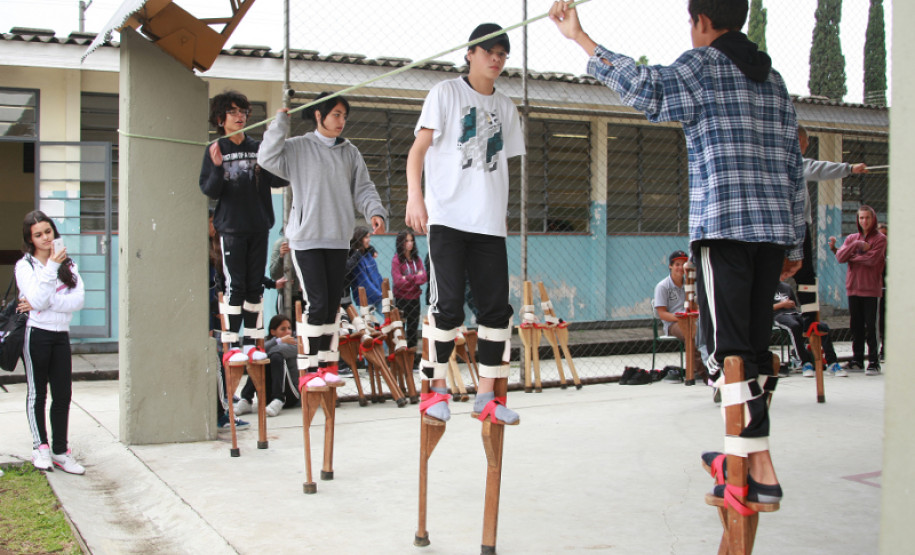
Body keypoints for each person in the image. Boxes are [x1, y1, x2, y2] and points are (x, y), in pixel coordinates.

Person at [550, 0, 805, 503]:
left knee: (723, 353)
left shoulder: (704, 65)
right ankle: (742, 459)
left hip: (725, 229)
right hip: (771, 236)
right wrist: (794, 241)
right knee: (750, 351)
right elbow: (794, 164)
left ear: (702, 21)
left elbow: (648, 89)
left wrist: (581, 39)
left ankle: (761, 470)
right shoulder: (773, 82)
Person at [405, 22, 525, 425]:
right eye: (489, 51)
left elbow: (495, 166)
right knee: (447, 306)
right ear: (470, 53)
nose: (496, 59)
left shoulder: (507, 108)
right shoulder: (445, 93)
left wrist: (497, 211)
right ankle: (435, 389)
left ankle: (487, 396)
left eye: (503, 53)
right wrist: (415, 197)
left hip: (489, 224)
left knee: (496, 310)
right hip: (448, 220)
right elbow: (417, 150)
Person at [258, 92, 386, 389]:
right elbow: (266, 159)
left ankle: (328, 367)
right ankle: (310, 371)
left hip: (338, 238)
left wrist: (374, 212)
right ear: (319, 115)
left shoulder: (350, 151)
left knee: (331, 307)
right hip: (307, 239)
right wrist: (279, 124)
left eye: (344, 116)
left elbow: (364, 187)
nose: (341, 121)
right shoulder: (298, 147)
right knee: (317, 303)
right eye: (336, 114)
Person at [199, 90, 287, 369]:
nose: (239, 117)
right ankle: (231, 344)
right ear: (220, 118)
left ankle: (251, 343)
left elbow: (276, 179)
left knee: (254, 286)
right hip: (232, 229)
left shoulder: (258, 146)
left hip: (259, 226)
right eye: (233, 111)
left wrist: (272, 152)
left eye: (243, 112)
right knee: (234, 286)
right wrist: (215, 167)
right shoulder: (216, 149)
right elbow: (210, 190)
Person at [16, 211, 86, 474]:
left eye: (48, 232)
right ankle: (40, 447)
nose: (45, 238)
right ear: (30, 239)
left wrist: (45, 303)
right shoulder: (25, 266)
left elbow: (77, 301)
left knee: (63, 394)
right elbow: (35, 296)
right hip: (37, 334)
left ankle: (60, 450)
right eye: (38, 234)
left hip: (61, 336)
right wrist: (51, 269)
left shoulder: (69, 264)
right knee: (37, 393)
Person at [794, 125, 868, 315]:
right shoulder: (793, 161)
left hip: (776, 226)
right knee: (805, 274)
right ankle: (809, 318)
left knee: (798, 273)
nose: (807, 146)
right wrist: (850, 168)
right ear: (800, 141)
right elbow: (818, 168)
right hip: (796, 225)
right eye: (807, 142)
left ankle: (809, 318)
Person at [833, 205, 886, 375]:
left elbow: (872, 260)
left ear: (873, 219)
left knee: (871, 326)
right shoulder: (852, 238)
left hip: (871, 290)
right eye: (861, 218)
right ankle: (857, 360)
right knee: (855, 326)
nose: (864, 221)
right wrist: (856, 244)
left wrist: (852, 257)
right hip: (853, 289)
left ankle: (873, 361)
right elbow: (840, 257)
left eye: (867, 218)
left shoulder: (880, 239)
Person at [652, 250, 708, 383]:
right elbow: (662, 313)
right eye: (677, 264)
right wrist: (682, 318)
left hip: (691, 319)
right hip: (673, 323)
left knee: (707, 332)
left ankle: (708, 366)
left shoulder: (689, 284)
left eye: (683, 264)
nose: (680, 268)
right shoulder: (663, 286)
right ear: (670, 266)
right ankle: (705, 374)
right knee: (691, 334)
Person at [773, 279, 846, 378]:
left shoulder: (786, 287)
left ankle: (832, 363)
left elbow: (795, 304)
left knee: (821, 326)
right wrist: (782, 304)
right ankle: (805, 363)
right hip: (778, 315)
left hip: (794, 313)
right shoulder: (764, 287)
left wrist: (791, 304)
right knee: (794, 326)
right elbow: (761, 308)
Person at [235, 315, 300, 417]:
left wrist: (274, 344)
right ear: (273, 332)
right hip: (267, 398)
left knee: (274, 357)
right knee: (259, 359)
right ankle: (246, 399)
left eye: (289, 328)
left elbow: (273, 350)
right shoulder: (268, 342)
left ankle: (279, 399)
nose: (287, 332)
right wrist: (277, 341)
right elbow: (255, 352)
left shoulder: (296, 343)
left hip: (290, 396)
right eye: (283, 329)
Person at [392, 230, 427, 358]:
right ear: (401, 242)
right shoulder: (397, 260)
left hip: (415, 299)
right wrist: (415, 278)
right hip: (401, 298)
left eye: (411, 240)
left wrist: (407, 278)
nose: (410, 243)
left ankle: (413, 359)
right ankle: (401, 358)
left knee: (413, 329)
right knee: (400, 329)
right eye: (406, 240)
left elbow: (424, 277)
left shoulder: (416, 259)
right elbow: (397, 282)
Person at [346, 227, 384, 315]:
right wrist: (380, 293)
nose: (369, 240)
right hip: (366, 298)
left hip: (378, 294)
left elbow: (376, 275)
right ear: (360, 238)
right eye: (366, 237)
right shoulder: (355, 256)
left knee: (389, 319)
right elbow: (363, 280)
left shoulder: (367, 253)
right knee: (370, 324)